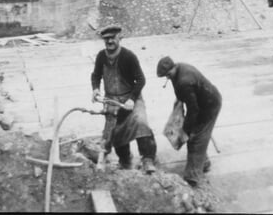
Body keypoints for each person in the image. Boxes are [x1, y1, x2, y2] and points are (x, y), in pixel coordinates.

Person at [91, 25, 157, 174]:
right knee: (114, 132)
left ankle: (148, 159)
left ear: (118, 38)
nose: (109, 41)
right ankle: (126, 159)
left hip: (130, 97)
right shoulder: (101, 56)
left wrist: (132, 99)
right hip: (112, 100)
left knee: (141, 123)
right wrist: (95, 89)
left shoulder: (128, 56)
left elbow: (141, 80)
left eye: (112, 38)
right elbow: (95, 75)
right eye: (106, 39)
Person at [156, 56, 222, 187]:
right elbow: (188, 97)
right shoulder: (180, 68)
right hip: (204, 100)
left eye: (168, 74)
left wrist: (186, 131)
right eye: (165, 76)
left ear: (173, 67)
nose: (167, 78)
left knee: (195, 140)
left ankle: (193, 177)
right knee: (198, 137)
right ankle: (204, 162)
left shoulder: (184, 81)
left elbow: (193, 110)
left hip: (209, 105)